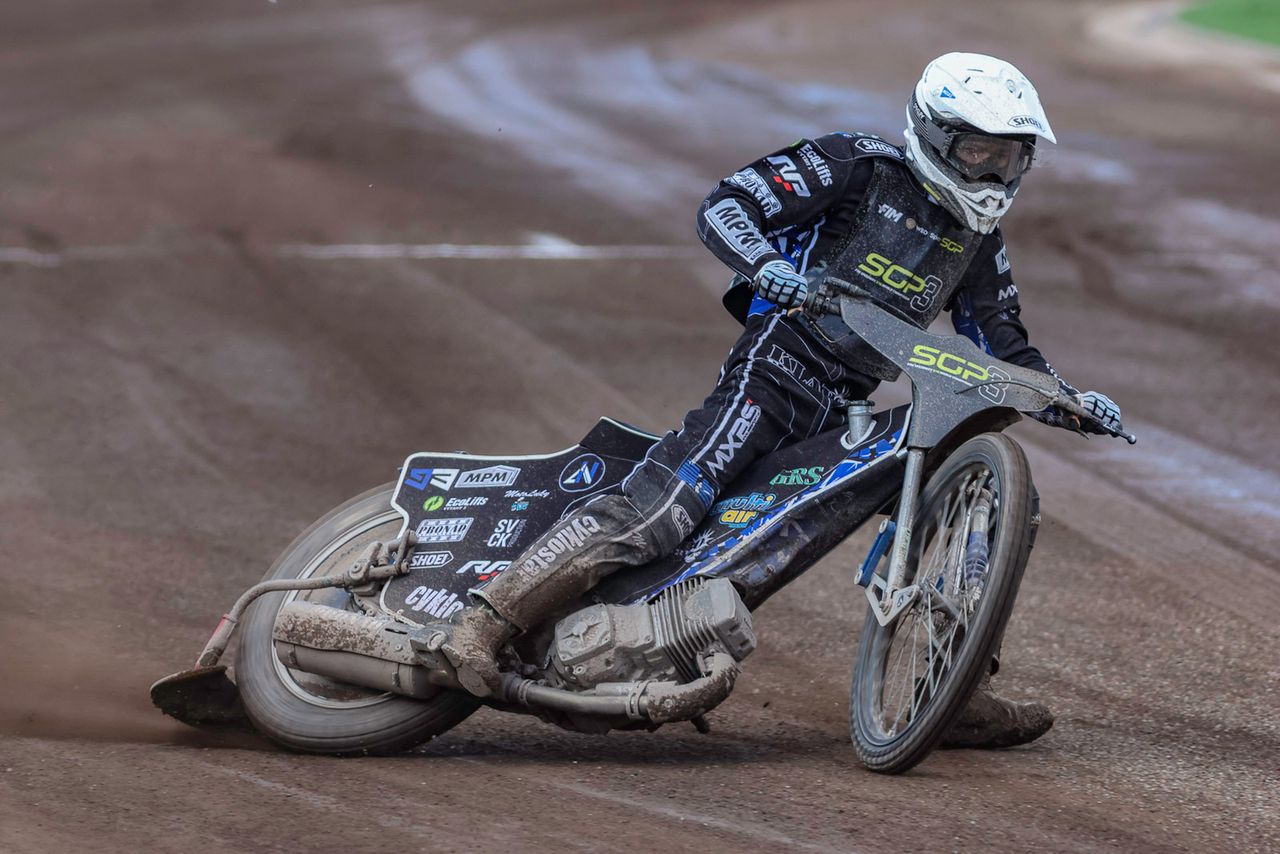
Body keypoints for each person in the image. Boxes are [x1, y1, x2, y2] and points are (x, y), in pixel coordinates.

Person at [413, 52, 1122, 748]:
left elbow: (1003, 341)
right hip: (772, 372)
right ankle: (483, 623)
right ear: (935, 137)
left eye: (1011, 159)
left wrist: (1064, 400)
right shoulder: (857, 164)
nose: (994, 176)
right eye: (979, 154)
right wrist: (767, 266)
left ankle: (954, 684)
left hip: (844, 411)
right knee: (665, 512)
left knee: (993, 499)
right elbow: (728, 205)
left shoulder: (979, 240)